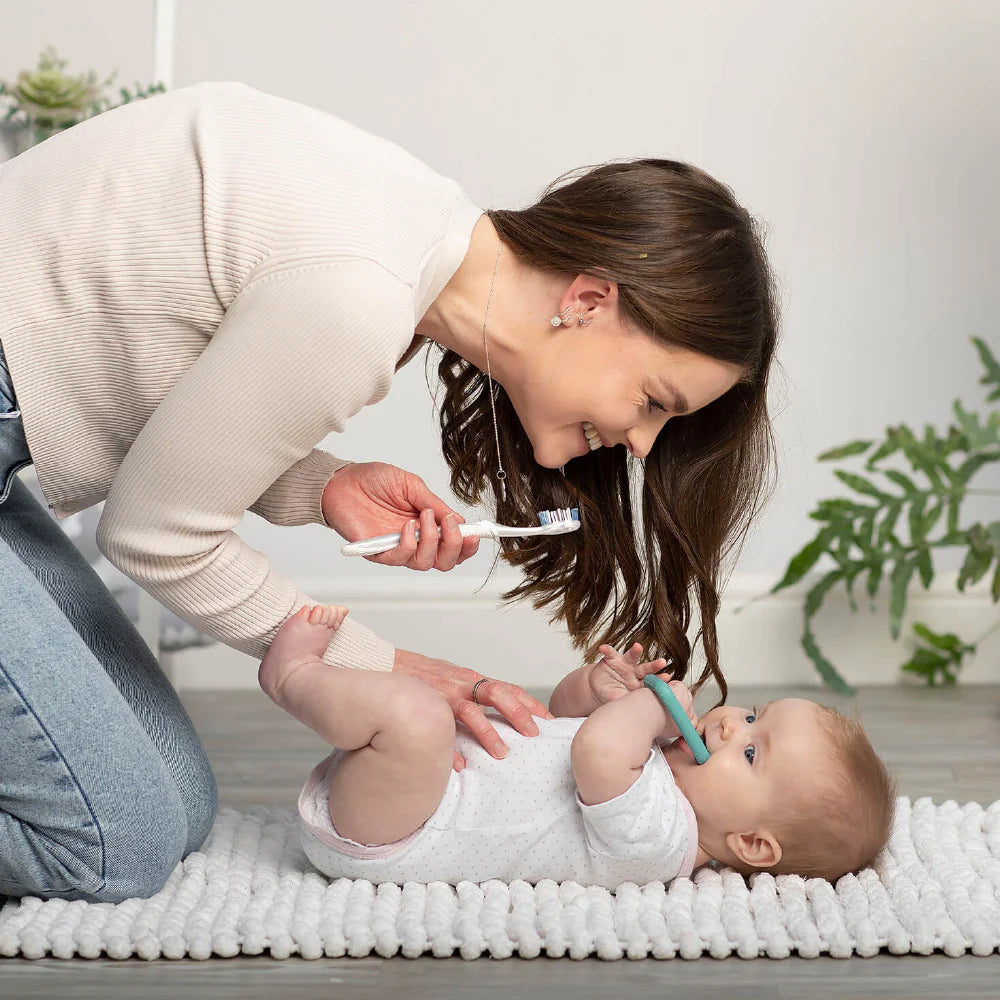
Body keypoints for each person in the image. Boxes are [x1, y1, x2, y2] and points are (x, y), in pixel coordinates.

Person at [0, 81, 779, 901]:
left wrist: (322, 485)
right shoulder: (359, 299)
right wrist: (385, 667)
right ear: (588, 300)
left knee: (179, 806)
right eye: (655, 401)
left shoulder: (408, 245)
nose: (643, 441)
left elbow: (139, 374)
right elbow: (155, 537)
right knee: (116, 844)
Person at [269, 605, 896, 887]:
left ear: (752, 844)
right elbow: (563, 721)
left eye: (752, 753)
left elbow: (593, 753)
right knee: (425, 717)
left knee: (417, 714)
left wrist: (647, 707)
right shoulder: (656, 771)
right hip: (416, 788)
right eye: (754, 714)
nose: (732, 723)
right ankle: (342, 705)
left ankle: (293, 679)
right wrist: (597, 688)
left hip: (397, 834)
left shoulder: (664, 840)